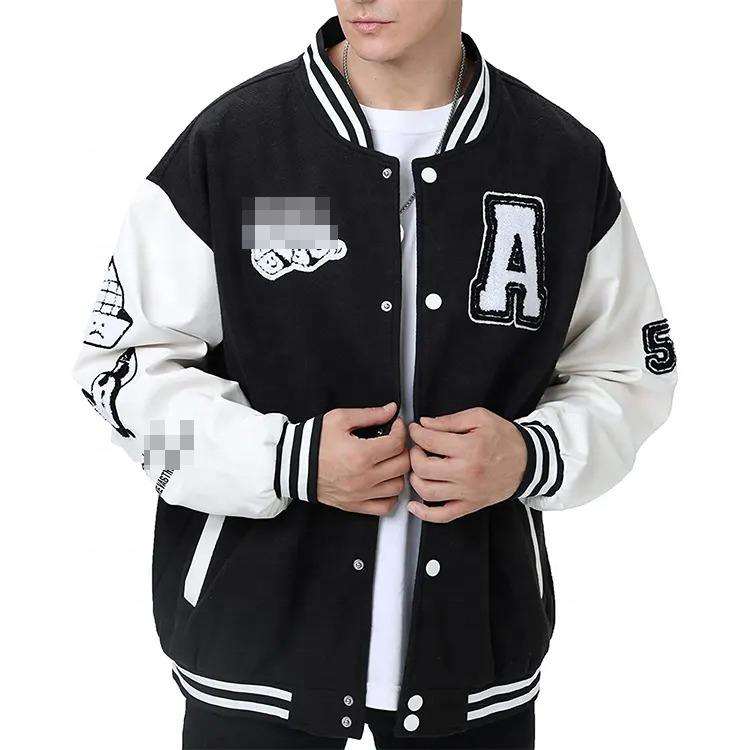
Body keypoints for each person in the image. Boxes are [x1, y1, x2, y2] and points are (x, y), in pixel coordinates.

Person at [73, 1, 677, 747]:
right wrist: (285, 460)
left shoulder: (558, 160)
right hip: (253, 658)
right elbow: (121, 373)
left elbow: (629, 373)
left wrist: (530, 456)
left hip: (474, 663)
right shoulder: (236, 144)